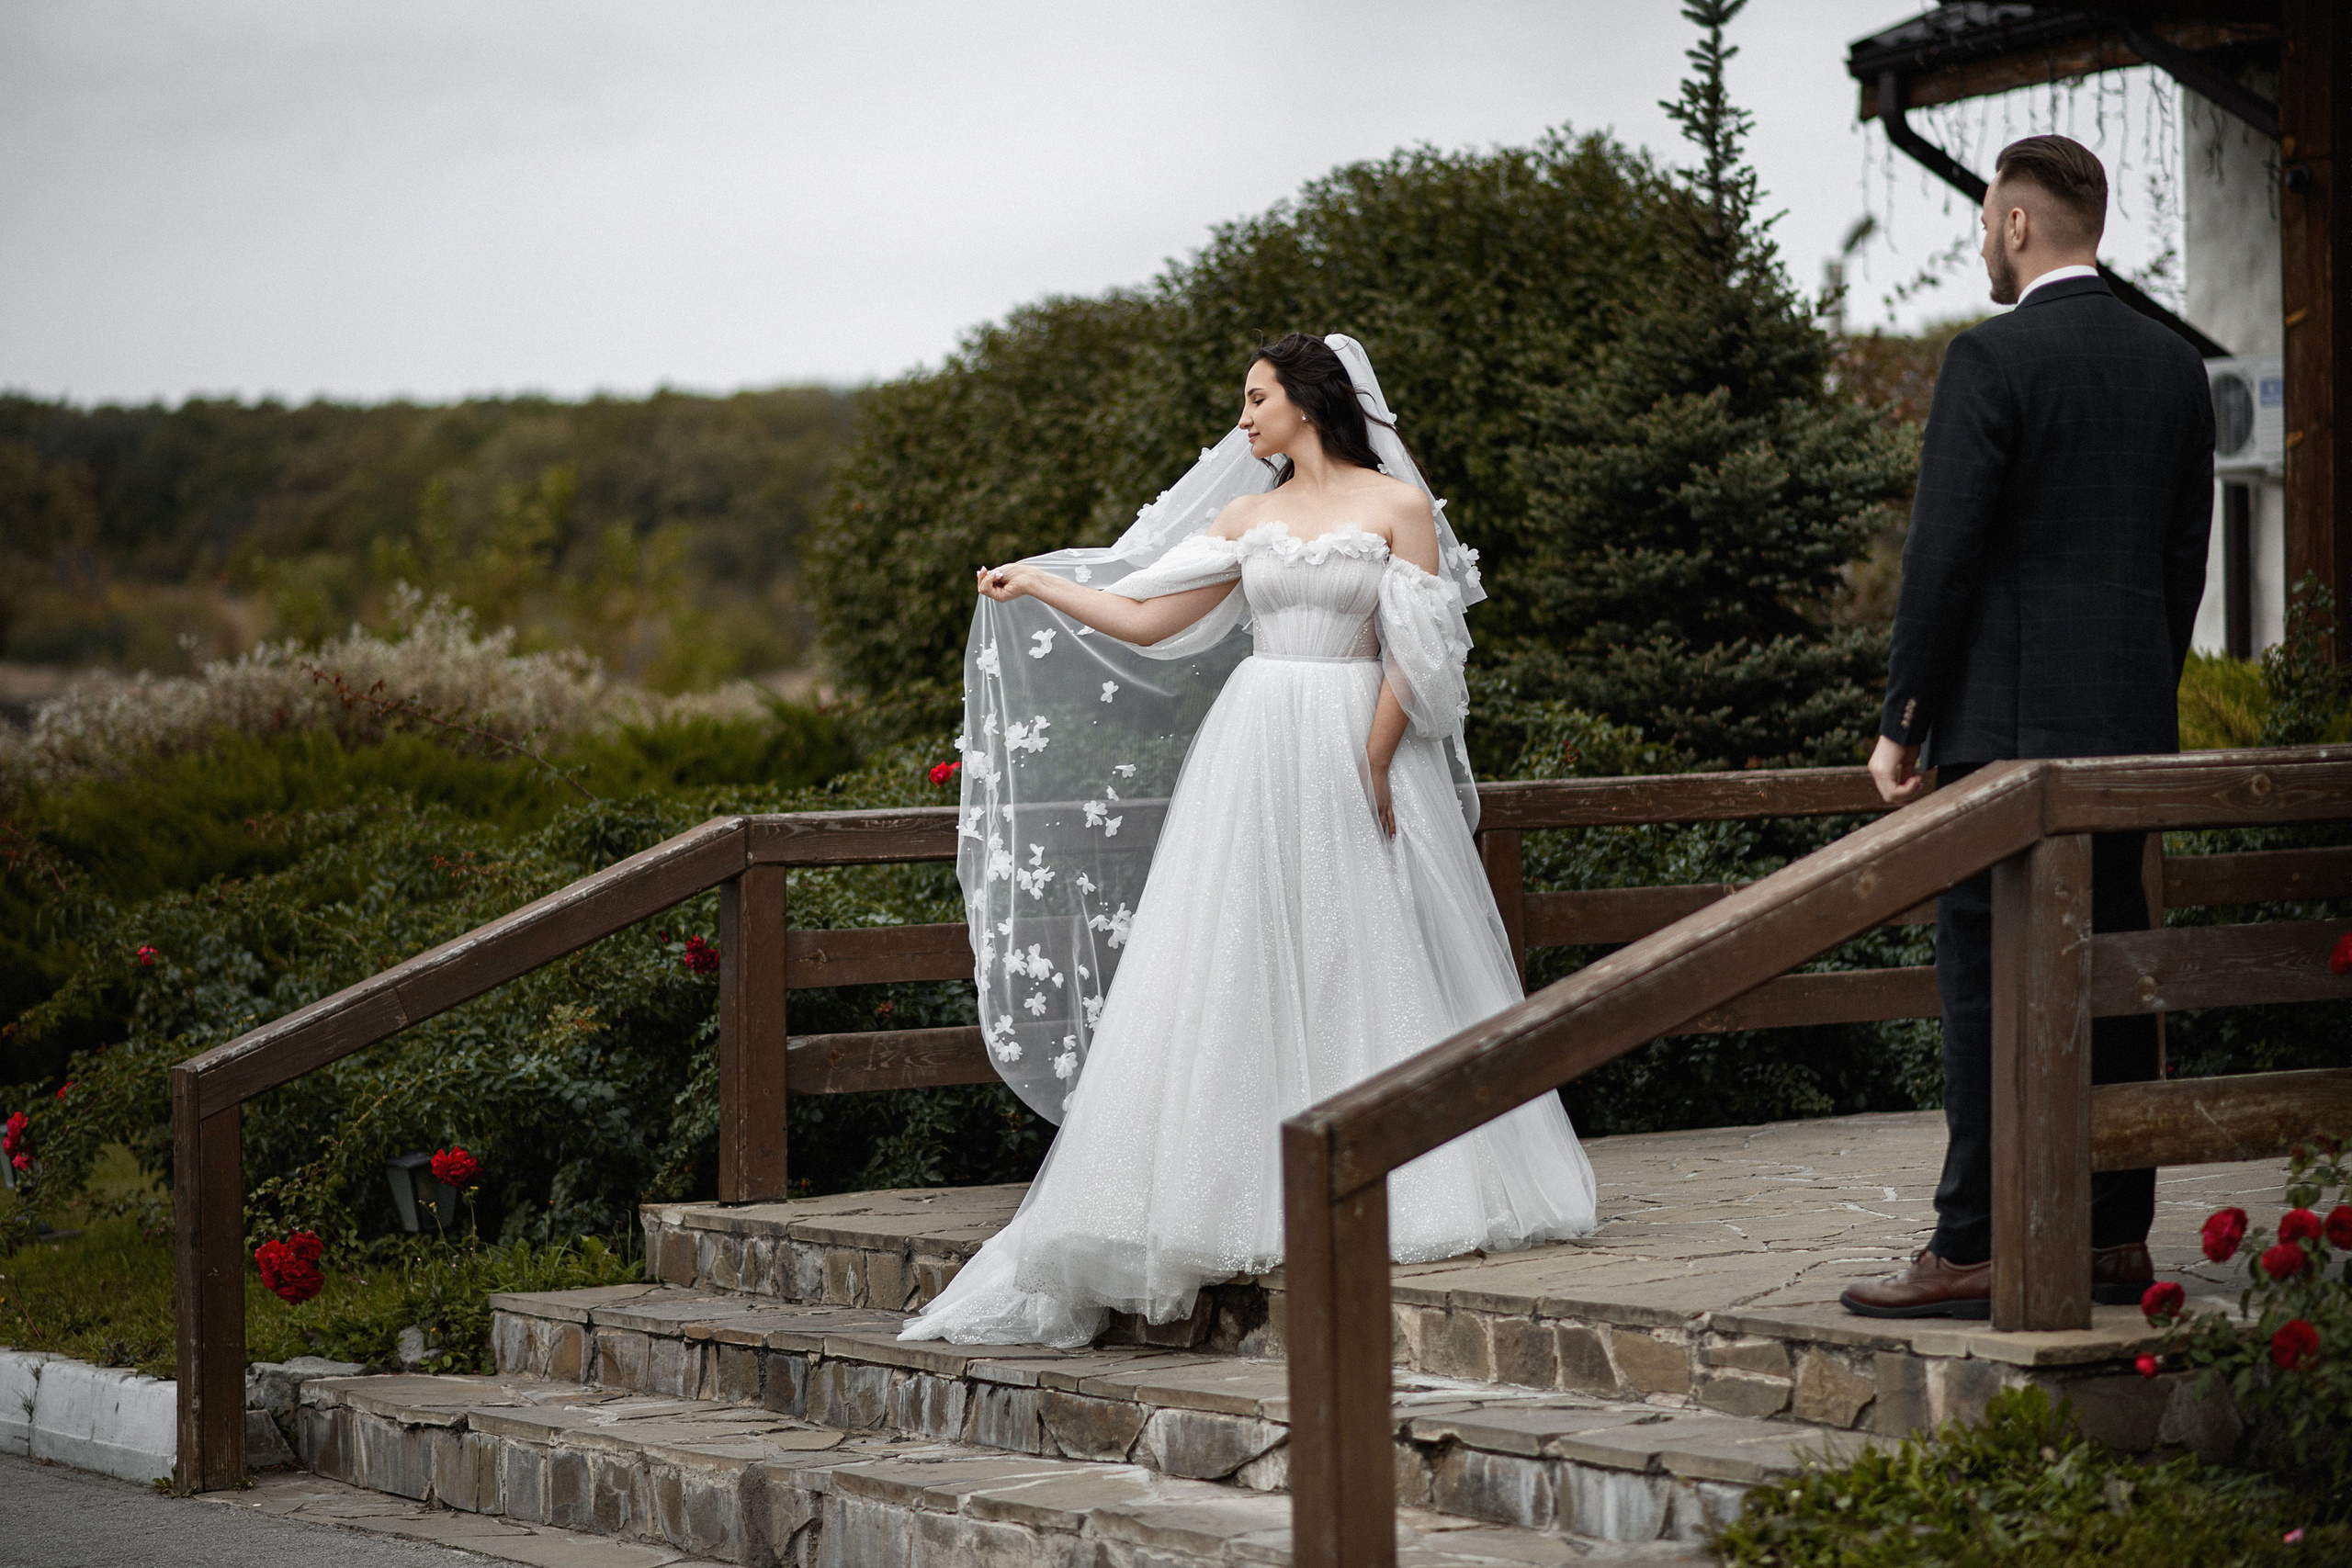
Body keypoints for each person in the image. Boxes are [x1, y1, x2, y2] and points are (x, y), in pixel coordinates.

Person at [901, 333, 1596, 1348]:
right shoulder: (1247, 517)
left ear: (1306, 401)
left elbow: (1424, 650)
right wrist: (1042, 586)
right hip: (1256, 740)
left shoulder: (1396, 509)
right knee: (1235, 951)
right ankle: (1225, 1190)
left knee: (1368, 947)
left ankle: (1415, 1178)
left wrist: (1372, 757)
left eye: (1256, 398)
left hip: (1357, 730)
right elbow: (1145, 618)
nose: (1244, 419)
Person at [1843, 136, 2214, 1320]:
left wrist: (1903, 720)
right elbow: (2181, 563)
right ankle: (2111, 1237)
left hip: (1999, 740)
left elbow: (1941, 560)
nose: (1982, 245)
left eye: (1984, 225)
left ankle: (1974, 1242)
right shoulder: (2172, 367)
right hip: (2126, 738)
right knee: (2110, 967)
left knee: (1982, 983)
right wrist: (2137, 699)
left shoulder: (1989, 358)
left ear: (2013, 225)